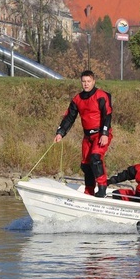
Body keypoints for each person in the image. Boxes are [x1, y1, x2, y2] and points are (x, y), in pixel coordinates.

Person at [54, 70, 112, 198]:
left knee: (95, 158)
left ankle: (102, 187)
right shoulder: (77, 99)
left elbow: (107, 115)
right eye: (84, 81)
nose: (86, 84)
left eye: (88, 81)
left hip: (100, 134)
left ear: (93, 81)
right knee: (86, 165)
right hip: (88, 136)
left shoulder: (101, 96)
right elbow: (69, 117)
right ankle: (89, 191)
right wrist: (60, 133)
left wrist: (105, 133)